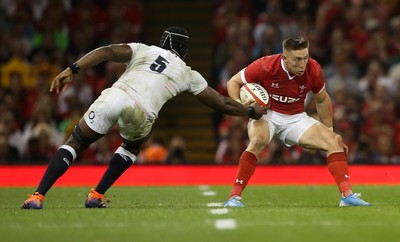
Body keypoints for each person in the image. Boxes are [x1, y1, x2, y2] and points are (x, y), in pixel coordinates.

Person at [20, 27, 268, 209]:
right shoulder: (188, 73)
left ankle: (37, 196)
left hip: (116, 95)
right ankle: (96, 195)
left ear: (163, 41)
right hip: (144, 112)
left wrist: (72, 69)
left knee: (76, 142)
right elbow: (220, 102)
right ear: (184, 51)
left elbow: (107, 51)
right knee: (131, 145)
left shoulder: (144, 49)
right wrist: (250, 111)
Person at [223, 36, 371, 208]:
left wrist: (329, 132)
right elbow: (233, 82)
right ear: (284, 58)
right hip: (267, 114)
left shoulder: (314, 69)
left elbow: (322, 100)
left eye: (305, 58)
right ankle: (234, 197)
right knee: (257, 141)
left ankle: (347, 196)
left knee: (334, 141)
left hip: (296, 118)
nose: (303, 64)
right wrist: (242, 107)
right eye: (297, 59)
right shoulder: (265, 65)